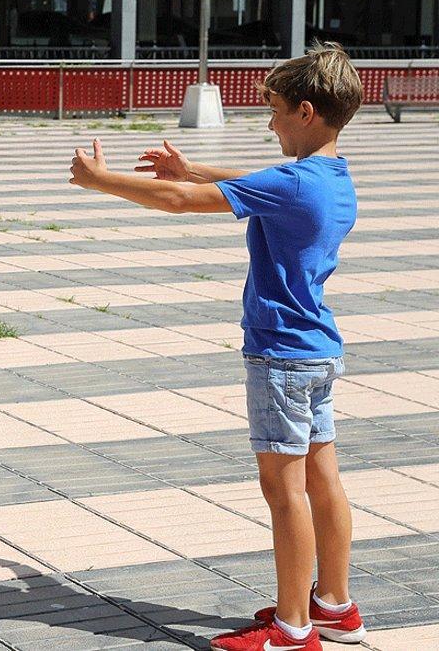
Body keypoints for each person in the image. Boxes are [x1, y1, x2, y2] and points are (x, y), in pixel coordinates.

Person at [66, 42, 366, 651]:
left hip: (280, 355)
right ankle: (334, 604)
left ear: (306, 112)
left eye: (276, 111)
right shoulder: (331, 177)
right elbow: (261, 183)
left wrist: (102, 181)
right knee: (323, 479)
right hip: (318, 349)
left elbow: (180, 203)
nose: (270, 122)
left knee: (284, 491)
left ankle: (291, 628)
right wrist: (198, 168)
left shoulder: (292, 184)